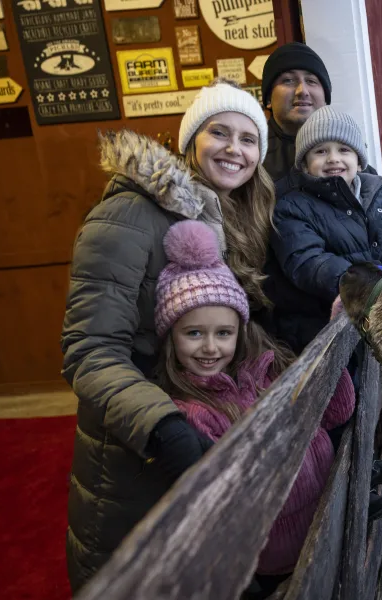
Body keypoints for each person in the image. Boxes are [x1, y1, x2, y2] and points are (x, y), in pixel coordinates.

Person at [60, 78, 275, 593]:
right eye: (219, 132)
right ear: (189, 140)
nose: (234, 149)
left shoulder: (231, 216)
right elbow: (89, 349)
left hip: (199, 421)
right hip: (137, 446)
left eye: (249, 140)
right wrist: (161, 425)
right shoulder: (130, 214)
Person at [151, 219, 356, 599]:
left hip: (328, 519)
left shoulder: (265, 370)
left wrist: (330, 352)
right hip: (278, 559)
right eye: (194, 333)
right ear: (171, 338)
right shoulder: (195, 413)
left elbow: (337, 412)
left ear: (240, 332)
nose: (210, 347)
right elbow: (246, 499)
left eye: (223, 333)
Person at [265, 106, 382, 354]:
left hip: (374, 309)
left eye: (344, 150)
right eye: (320, 151)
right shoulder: (291, 207)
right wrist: (357, 281)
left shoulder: (375, 198)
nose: (333, 159)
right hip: (322, 324)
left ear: (359, 161)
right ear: (305, 166)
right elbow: (308, 261)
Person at [261, 42, 331, 184]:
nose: (302, 91)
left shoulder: (347, 149)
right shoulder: (252, 155)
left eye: (311, 81)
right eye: (288, 80)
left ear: (325, 99)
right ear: (268, 98)